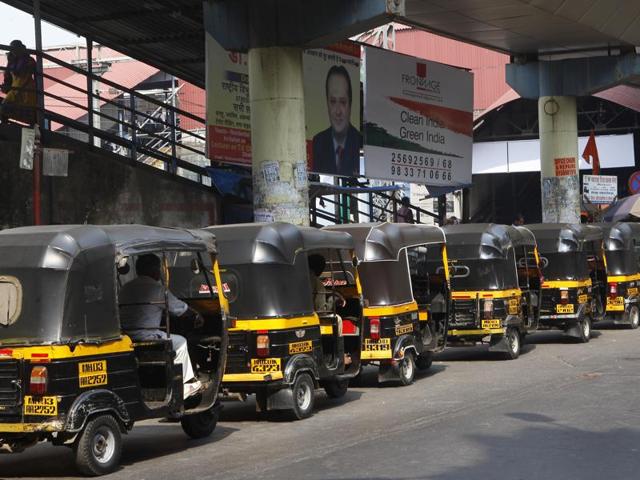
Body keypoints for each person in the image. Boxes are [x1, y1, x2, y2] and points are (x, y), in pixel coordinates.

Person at [119, 254, 202, 399]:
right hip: (148, 336)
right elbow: (180, 310)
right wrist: (197, 315)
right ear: (153, 270)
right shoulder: (158, 289)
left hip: (126, 337)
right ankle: (186, 384)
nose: (159, 272)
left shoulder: (125, 288)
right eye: (158, 268)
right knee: (181, 342)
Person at [312, 65, 362, 177]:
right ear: (327, 103)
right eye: (333, 101)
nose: (338, 111)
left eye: (343, 102)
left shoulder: (359, 141)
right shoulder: (318, 142)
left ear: (350, 104)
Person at [0, 40, 36, 125]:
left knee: (29, 114)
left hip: (26, 90)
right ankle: (6, 126)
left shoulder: (28, 60)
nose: (13, 51)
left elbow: (25, 71)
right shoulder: (13, 61)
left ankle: (7, 127)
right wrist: (6, 85)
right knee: (3, 109)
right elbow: (7, 76)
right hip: (17, 89)